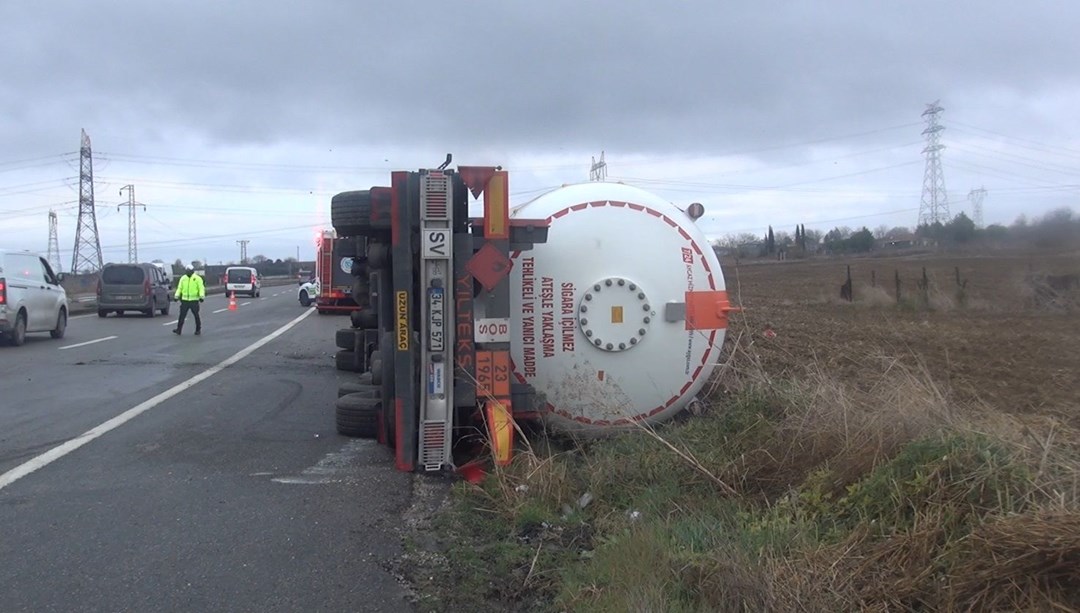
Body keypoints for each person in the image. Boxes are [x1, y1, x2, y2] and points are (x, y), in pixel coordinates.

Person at [173, 265, 205, 335]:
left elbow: (201, 288)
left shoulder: (197, 278)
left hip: (194, 300)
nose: (188, 273)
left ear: (192, 271)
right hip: (185, 300)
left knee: (196, 315)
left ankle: (198, 329)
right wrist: (176, 296)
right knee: (182, 316)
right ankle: (179, 329)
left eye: (189, 271)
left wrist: (201, 297)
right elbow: (179, 288)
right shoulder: (183, 278)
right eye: (187, 271)